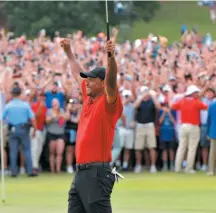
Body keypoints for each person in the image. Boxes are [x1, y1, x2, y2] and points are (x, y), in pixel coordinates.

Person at [61, 38, 123, 213]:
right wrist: (68, 52)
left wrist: (110, 56)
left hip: (97, 173)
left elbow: (111, 80)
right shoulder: (89, 98)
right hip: (81, 172)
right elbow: (76, 71)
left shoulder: (108, 103)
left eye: (91, 79)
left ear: (102, 84)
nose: (86, 82)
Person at [171, 85, 207, 174]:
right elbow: (205, 107)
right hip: (193, 126)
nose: (198, 94)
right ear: (193, 93)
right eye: (196, 93)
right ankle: (188, 168)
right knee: (192, 148)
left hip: (183, 126)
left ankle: (177, 167)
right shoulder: (196, 102)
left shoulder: (182, 101)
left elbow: (173, 106)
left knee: (181, 147)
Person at [3, 86, 37, 177]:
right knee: (27, 150)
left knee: (13, 151)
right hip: (24, 129)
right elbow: (32, 118)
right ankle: (30, 171)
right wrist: (35, 129)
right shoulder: (25, 105)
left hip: (13, 129)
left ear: (12, 94)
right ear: (20, 94)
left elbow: (2, 118)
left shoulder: (8, 105)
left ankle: (14, 172)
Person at [133, 86, 160, 173]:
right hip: (140, 125)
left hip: (149, 125)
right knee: (138, 148)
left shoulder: (152, 101)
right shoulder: (139, 101)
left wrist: (153, 96)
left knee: (152, 147)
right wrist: (141, 97)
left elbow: (158, 107)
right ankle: (139, 165)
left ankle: (153, 166)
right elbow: (135, 106)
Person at [46, 98, 70, 173]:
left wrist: (61, 115)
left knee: (59, 152)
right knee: (52, 153)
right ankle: (52, 170)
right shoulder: (49, 111)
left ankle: (58, 169)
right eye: (54, 103)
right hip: (51, 133)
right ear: (52, 104)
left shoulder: (62, 111)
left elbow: (67, 118)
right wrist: (52, 117)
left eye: (57, 103)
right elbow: (46, 121)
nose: (55, 104)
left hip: (60, 134)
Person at [30, 91, 47, 173]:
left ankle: (35, 166)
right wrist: (34, 130)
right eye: (41, 96)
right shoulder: (34, 105)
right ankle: (34, 168)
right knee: (34, 149)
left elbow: (45, 120)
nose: (42, 97)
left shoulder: (45, 107)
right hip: (35, 129)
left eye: (44, 96)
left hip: (41, 129)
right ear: (37, 97)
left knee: (39, 149)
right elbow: (35, 117)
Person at [158, 102, 177, 171]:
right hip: (163, 133)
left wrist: (169, 113)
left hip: (171, 132)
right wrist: (164, 113)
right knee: (164, 150)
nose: (166, 108)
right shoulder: (161, 112)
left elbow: (174, 122)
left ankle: (172, 165)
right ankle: (165, 165)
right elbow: (160, 121)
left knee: (171, 149)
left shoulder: (173, 111)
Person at [65, 98, 81, 174]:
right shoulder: (68, 111)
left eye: (75, 103)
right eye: (72, 103)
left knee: (78, 150)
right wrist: (68, 110)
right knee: (70, 150)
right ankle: (69, 166)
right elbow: (67, 118)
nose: (73, 105)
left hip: (79, 132)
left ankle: (77, 166)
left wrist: (78, 110)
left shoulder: (80, 111)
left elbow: (77, 120)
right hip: (70, 132)